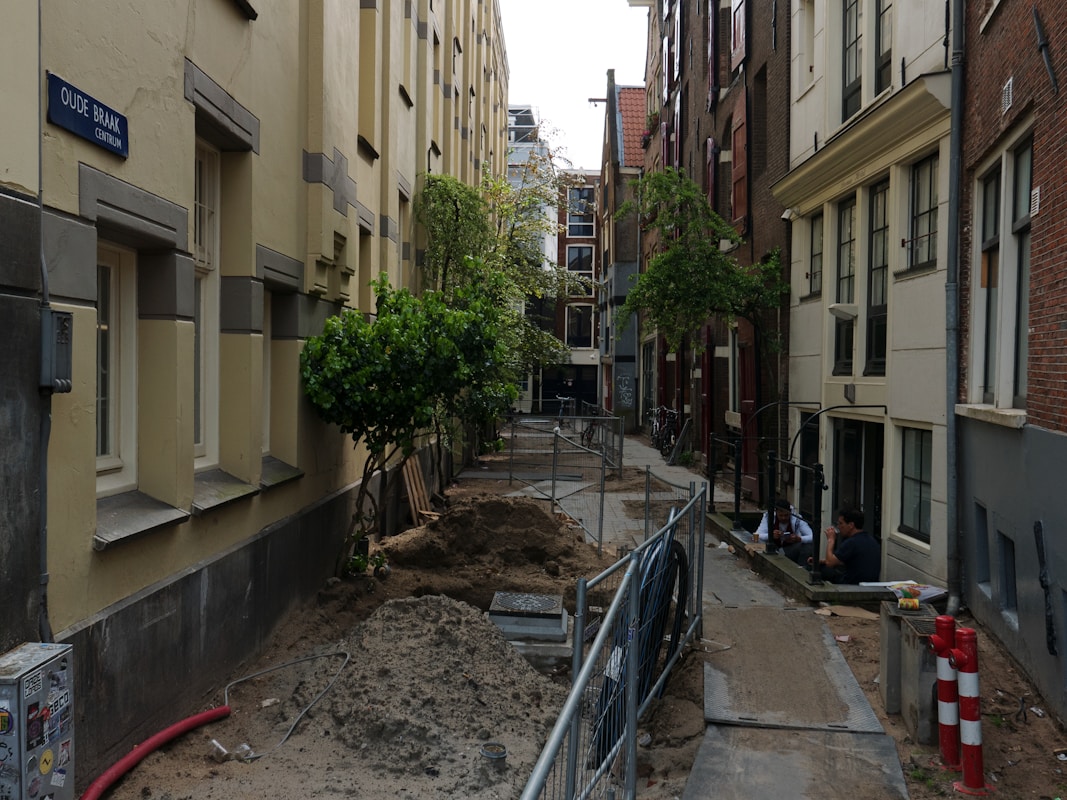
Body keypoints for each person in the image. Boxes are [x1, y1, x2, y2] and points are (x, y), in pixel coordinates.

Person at [813, 507, 880, 584]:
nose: (838, 527)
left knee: (819, 570)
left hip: (852, 584)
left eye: (841, 523)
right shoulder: (872, 541)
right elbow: (852, 561)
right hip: (871, 584)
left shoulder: (851, 542)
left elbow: (829, 563)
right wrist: (821, 561)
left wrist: (831, 540)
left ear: (851, 525)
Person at [753, 498, 813, 565]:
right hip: (773, 550)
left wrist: (799, 539)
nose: (783, 518)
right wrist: (771, 535)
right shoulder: (768, 517)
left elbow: (812, 536)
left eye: (786, 515)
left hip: (789, 550)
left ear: (790, 512)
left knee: (808, 546)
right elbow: (757, 535)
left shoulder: (797, 519)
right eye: (780, 515)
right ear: (776, 512)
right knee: (756, 544)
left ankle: (802, 569)